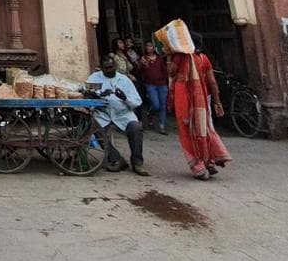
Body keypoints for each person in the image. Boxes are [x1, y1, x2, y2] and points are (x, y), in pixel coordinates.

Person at [160, 25, 232, 180]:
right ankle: (210, 161)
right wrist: (217, 102)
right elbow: (212, 82)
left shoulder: (180, 57)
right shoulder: (203, 58)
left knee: (187, 130)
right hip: (202, 98)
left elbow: (170, 72)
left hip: (184, 98)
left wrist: (168, 55)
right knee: (204, 128)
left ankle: (198, 166)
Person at [86, 53, 149, 176]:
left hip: (123, 114)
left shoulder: (124, 80)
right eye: (107, 68)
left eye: (111, 67)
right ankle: (116, 158)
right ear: (101, 68)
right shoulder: (94, 77)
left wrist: (125, 98)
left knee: (135, 128)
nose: (110, 70)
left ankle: (137, 163)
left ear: (115, 66)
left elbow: (137, 102)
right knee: (95, 128)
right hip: (103, 113)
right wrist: (99, 95)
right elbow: (87, 93)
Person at [141, 47, 171, 134]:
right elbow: (141, 71)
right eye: (147, 46)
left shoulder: (159, 59)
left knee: (163, 105)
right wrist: (143, 64)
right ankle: (150, 113)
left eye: (150, 46)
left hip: (162, 83)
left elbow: (165, 71)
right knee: (156, 105)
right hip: (150, 84)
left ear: (154, 48)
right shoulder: (143, 59)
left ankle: (162, 126)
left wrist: (168, 82)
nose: (148, 48)